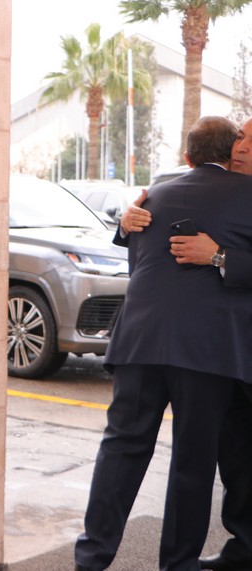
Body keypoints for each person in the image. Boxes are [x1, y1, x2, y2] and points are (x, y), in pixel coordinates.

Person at [74, 116, 252, 571]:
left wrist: (219, 255)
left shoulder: (155, 194)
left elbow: (140, 262)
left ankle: (91, 558)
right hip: (209, 352)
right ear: (229, 151)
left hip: (139, 342)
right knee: (192, 461)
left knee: (122, 448)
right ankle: (178, 564)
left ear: (188, 157)